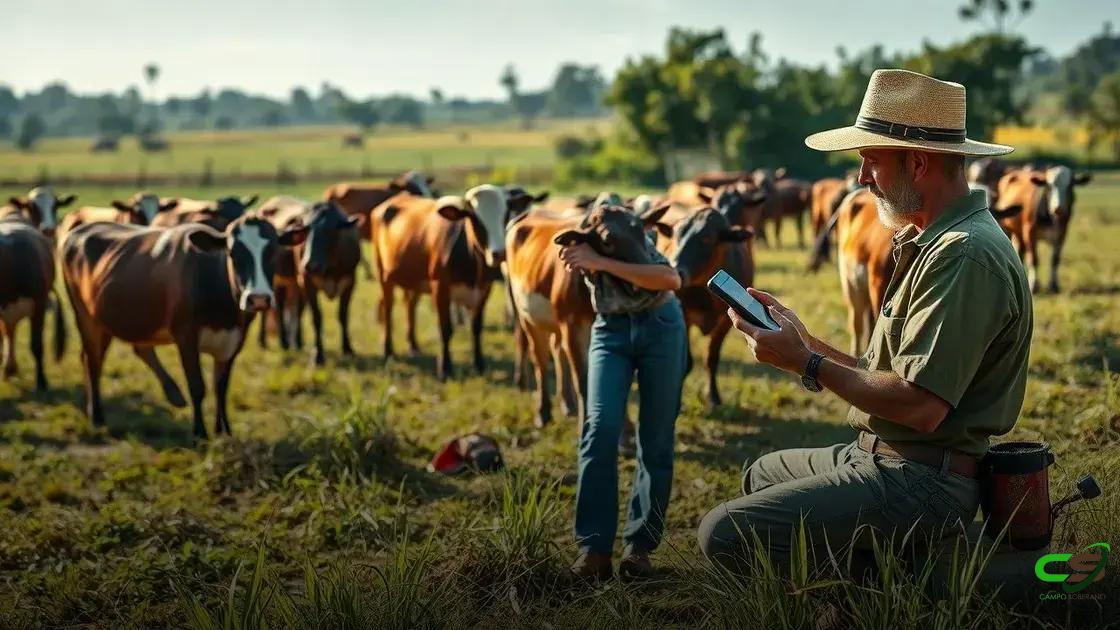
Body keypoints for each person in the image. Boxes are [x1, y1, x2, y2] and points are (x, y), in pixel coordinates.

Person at [697, 69, 1034, 573]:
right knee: (761, 474)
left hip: (924, 480)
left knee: (722, 534)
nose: (860, 179)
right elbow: (893, 376)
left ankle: (893, 583)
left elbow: (921, 407)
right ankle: (888, 562)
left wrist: (808, 364)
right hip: (880, 455)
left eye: (870, 161)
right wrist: (804, 340)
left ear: (917, 163)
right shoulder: (933, 241)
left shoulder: (963, 257)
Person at [557, 196, 688, 581]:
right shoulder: (580, 243)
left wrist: (600, 263)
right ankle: (594, 550)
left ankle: (639, 548)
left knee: (656, 435)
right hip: (610, 331)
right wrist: (586, 258)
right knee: (599, 429)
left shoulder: (633, 233)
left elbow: (670, 279)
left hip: (661, 326)